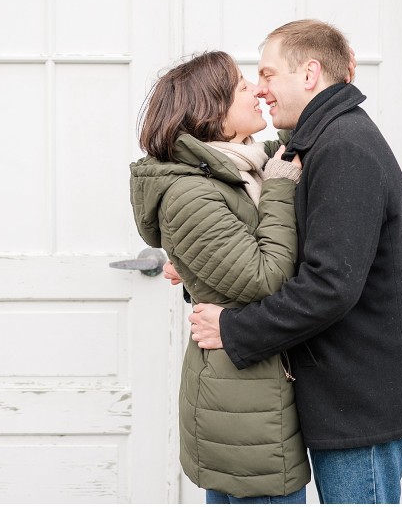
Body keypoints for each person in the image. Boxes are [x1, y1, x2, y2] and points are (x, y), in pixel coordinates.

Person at [186, 20, 402, 504]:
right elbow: (281, 248)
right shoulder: (314, 141)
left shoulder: (344, 147)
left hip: (361, 399)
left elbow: (330, 286)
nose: (260, 90)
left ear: (309, 74)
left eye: (267, 75)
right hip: (339, 392)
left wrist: (236, 330)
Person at [130, 51, 310, 503]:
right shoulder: (192, 191)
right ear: (211, 112)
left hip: (252, 389)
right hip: (242, 405)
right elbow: (264, 277)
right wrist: (283, 185)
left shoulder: (244, 168)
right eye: (242, 87)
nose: (257, 90)